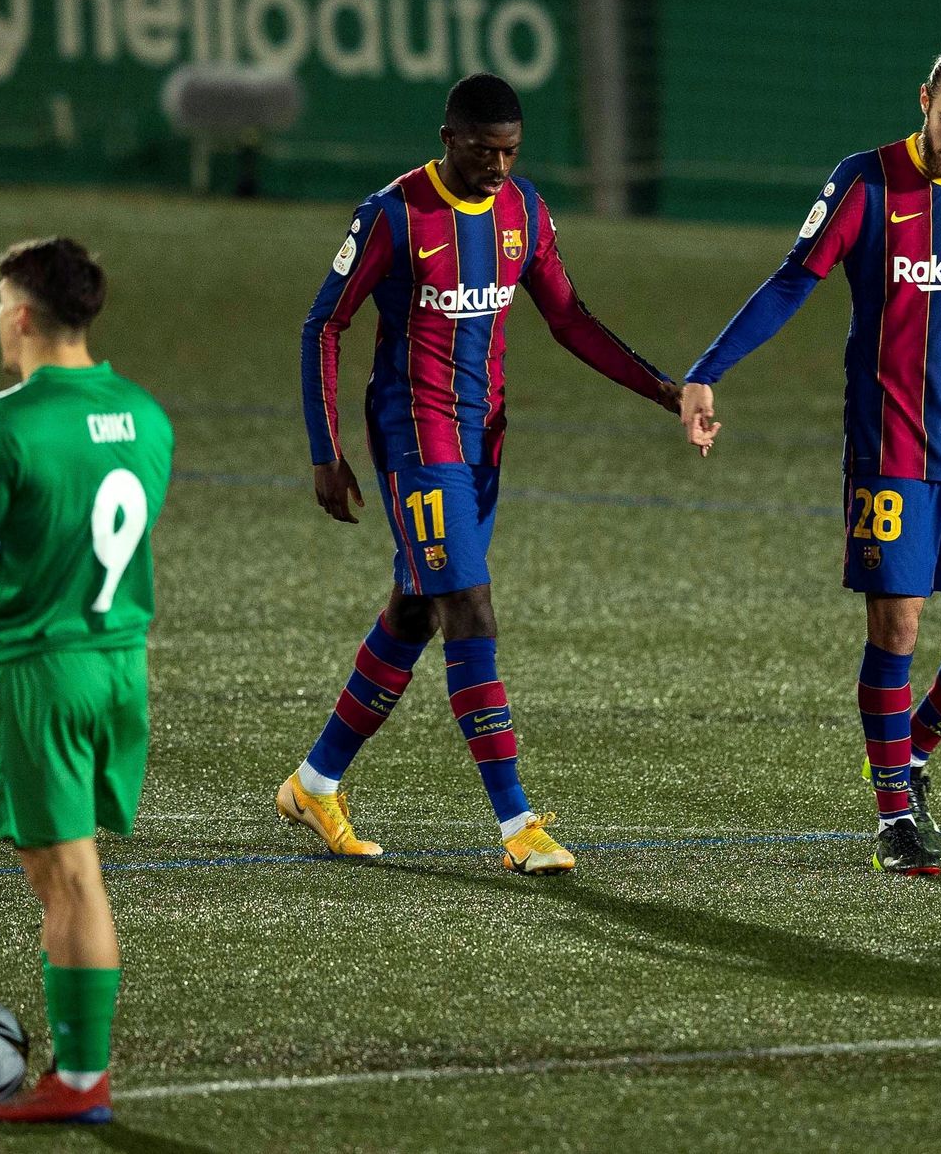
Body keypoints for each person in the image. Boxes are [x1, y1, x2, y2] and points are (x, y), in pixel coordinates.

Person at [680, 42, 941, 877]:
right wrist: (707, 370)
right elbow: (792, 281)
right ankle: (893, 816)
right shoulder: (865, 182)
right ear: (923, 101)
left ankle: (906, 754)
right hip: (891, 452)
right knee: (897, 627)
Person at [283, 72, 679, 875]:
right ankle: (518, 822)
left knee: (416, 612)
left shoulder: (523, 211)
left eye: (510, 153)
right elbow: (324, 323)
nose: (498, 167)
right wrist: (325, 449)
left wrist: (662, 389)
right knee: (468, 605)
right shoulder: (394, 214)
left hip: (482, 440)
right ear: (448, 139)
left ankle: (313, 783)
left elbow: (568, 317)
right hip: (414, 436)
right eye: (483, 152)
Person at [0, 237, 173, 1121]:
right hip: (121, 667)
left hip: (41, 671)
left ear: (23, 315)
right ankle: (80, 1072)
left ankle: (80, 1078)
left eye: (0, 305)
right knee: (78, 870)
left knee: (66, 877)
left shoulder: (6, 420)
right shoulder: (146, 414)